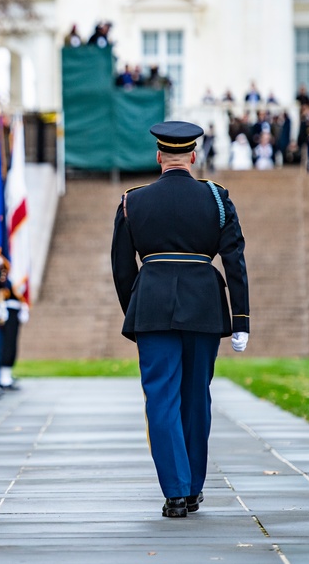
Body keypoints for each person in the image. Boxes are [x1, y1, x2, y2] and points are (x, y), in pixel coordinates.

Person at [110, 121, 249, 519]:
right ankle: (193, 488)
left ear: (159, 156)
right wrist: (241, 319)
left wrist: (135, 309)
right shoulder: (217, 199)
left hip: (152, 307)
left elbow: (122, 269)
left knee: (161, 398)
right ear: (192, 155)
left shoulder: (132, 202)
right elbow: (235, 261)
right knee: (196, 397)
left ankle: (175, 491)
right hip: (204, 304)